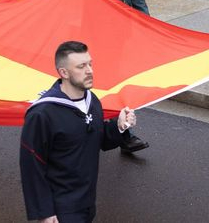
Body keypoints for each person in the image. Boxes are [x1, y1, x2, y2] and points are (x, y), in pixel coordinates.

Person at [20, 41, 137, 222]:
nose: (89, 70)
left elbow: (95, 139)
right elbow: (31, 165)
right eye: (81, 66)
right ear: (64, 72)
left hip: (87, 202)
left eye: (90, 64)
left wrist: (119, 127)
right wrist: (44, 212)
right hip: (61, 210)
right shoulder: (42, 114)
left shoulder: (92, 101)